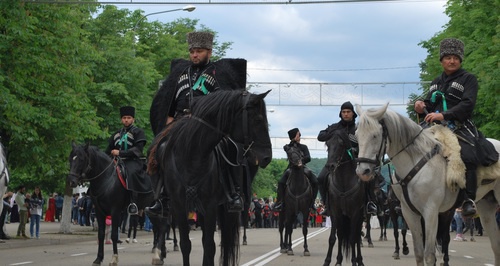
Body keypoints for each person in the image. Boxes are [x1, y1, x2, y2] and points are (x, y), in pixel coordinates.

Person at [147, 31, 247, 216]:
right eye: (192, 51)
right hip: (179, 122)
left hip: (207, 126)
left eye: (199, 51)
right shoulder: (181, 73)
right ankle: (162, 198)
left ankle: (234, 194)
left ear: (209, 52)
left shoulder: (218, 74)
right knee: (157, 148)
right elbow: (171, 96)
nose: (194, 55)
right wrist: (169, 117)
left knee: (230, 148)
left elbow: (225, 102)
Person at [414, 38, 498, 217]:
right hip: (433, 128)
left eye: (455, 57)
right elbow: (430, 103)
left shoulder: (468, 79)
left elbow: (467, 104)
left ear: (460, 59)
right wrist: (421, 106)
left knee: (468, 154)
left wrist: (444, 115)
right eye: (447, 57)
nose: (451, 61)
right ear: (442, 60)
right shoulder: (436, 81)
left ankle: (468, 199)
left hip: (459, 126)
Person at [316, 101, 378, 215]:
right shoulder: (335, 127)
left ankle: (370, 202)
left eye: (348, 112)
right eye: (343, 112)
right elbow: (320, 136)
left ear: (353, 113)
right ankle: (326, 204)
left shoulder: (357, 128)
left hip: (354, 161)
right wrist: (336, 133)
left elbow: (364, 144)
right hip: (334, 161)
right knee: (320, 178)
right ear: (340, 113)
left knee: (370, 178)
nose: (346, 114)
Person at [105, 106, 151, 215]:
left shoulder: (138, 132)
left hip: (133, 161)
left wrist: (120, 153)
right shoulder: (116, 134)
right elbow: (108, 150)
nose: (126, 120)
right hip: (116, 161)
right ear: (121, 119)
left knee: (132, 172)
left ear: (133, 119)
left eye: (129, 117)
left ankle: (133, 203)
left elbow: (137, 149)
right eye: (124, 117)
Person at [273, 128, 319, 212]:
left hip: (303, 167)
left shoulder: (304, 147)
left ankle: (312, 202)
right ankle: (281, 202)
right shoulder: (287, 147)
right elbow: (290, 152)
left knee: (315, 181)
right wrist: (293, 142)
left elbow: (308, 158)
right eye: (298, 134)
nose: (300, 135)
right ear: (294, 136)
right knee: (281, 182)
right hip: (291, 168)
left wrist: (302, 161)